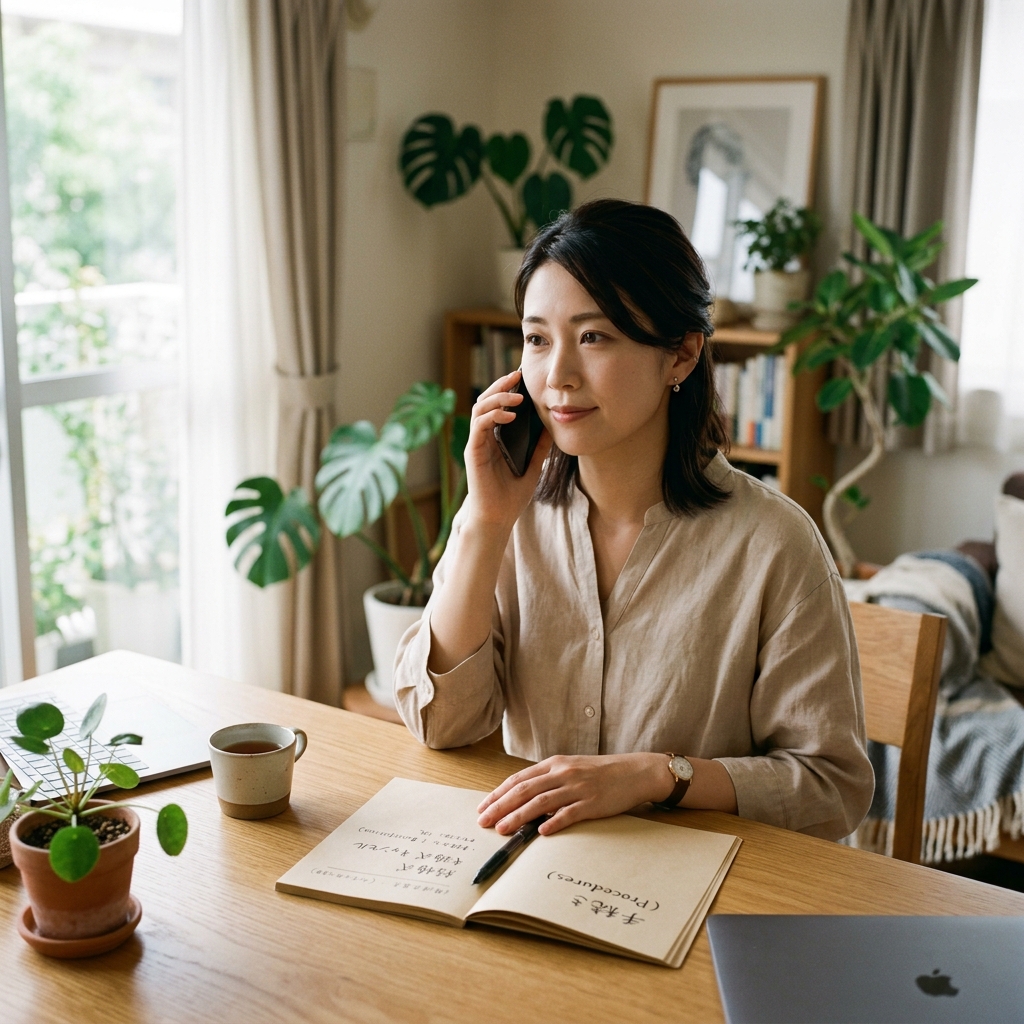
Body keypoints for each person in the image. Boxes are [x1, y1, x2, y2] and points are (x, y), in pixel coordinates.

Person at [394, 199, 873, 843]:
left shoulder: (775, 544)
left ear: (681, 355)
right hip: (534, 861)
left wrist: (656, 776)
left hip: (703, 882)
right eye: (537, 339)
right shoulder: (509, 517)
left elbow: (830, 789)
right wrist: (484, 520)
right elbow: (441, 724)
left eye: (593, 337)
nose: (557, 377)